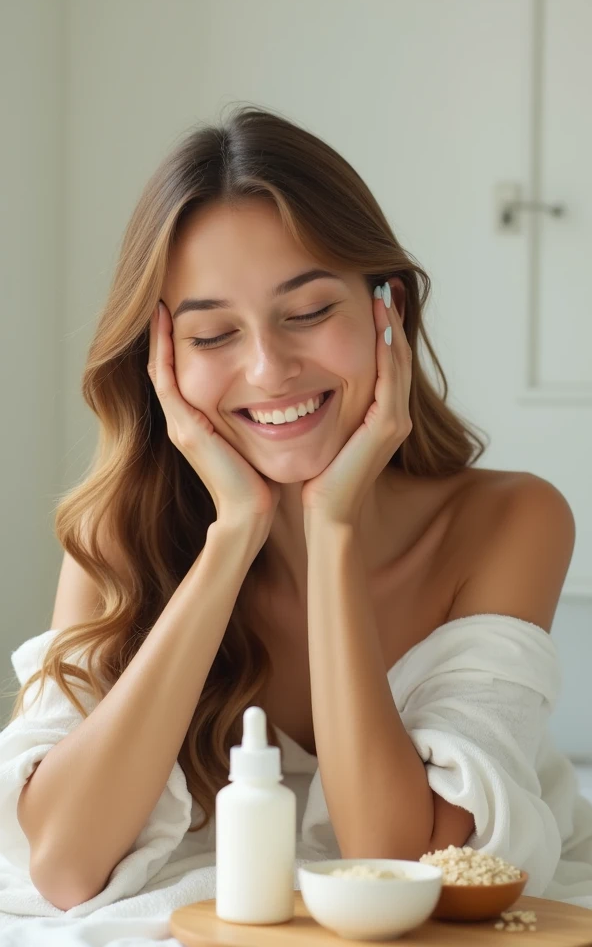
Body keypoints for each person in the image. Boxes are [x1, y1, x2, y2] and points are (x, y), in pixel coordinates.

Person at [1, 105, 591, 925]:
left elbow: (402, 865)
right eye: (212, 335)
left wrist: (333, 531)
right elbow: (62, 865)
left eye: (309, 312)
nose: (270, 368)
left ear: (390, 314)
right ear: (161, 363)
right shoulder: (119, 535)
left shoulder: (511, 521)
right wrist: (232, 538)